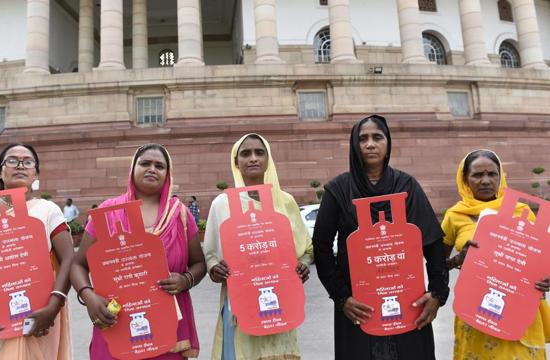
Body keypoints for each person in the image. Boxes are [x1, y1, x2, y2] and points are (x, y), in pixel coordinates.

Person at [312, 115, 449, 360]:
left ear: (388, 144)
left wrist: (437, 294)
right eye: (362, 138)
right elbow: (321, 247)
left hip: (408, 302)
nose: (370, 144)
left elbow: (432, 242)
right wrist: (342, 298)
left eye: (377, 137)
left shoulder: (407, 186)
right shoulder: (339, 190)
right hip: (358, 307)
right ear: (354, 145)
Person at [71, 143, 206, 359]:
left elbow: (199, 263)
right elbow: (78, 264)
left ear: (167, 174)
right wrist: (88, 297)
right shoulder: (107, 212)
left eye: (159, 166)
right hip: (116, 321)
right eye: (145, 163)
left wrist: (186, 280)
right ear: (132, 169)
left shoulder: (179, 215)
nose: (152, 169)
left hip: (168, 325)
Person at [0, 143, 74, 359]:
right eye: (12, 160)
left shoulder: (48, 210)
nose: (20, 165)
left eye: (27, 162)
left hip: (41, 316)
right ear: (0, 171)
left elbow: (68, 259)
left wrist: (53, 306)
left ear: (36, 174)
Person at [203, 133, 314, 360]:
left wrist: (303, 264)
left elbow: (307, 249)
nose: (253, 158)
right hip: (240, 305)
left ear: (268, 159)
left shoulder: (285, 202)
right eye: (245, 153)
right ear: (236, 161)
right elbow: (211, 253)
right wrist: (215, 268)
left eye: (259, 152)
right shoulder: (222, 204)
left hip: (280, 302)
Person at [441, 149, 550, 359]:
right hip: (476, 310)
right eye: (477, 175)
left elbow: (541, 258)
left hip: (519, 309)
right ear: (464, 179)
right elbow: (437, 264)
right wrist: (458, 259)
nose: (485, 181)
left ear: (501, 177)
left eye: (492, 174)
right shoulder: (455, 215)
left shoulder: (521, 212)